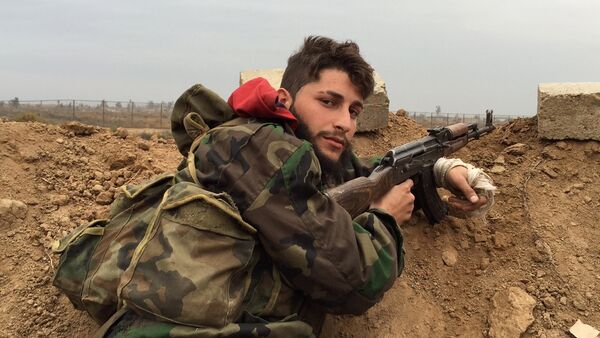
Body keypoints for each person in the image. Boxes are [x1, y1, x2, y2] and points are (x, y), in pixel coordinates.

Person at [103, 36, 490, 337]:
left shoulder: (261, 141)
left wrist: (439, 168)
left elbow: (364, 174)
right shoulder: (271, 151)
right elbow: (352, 283)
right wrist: (385, 219)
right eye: (329, 101)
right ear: (285, 99)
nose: (345, 122)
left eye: (354, 110)